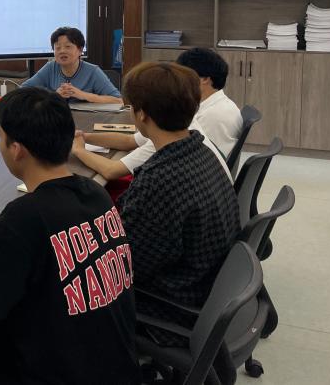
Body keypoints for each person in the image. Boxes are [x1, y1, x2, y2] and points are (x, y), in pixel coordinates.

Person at [0, 87, 139, 385]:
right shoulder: (94, 192)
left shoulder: (23, 215)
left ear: (16, 149)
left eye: (0, 137)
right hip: (115, 369)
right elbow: (57, 237)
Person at [116, 62, 240, 344]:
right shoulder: (199, 149)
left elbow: (125, 267)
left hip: (171, 306)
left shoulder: (161, 180)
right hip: (204, 285)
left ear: (142, 114)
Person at [72, 48, 239, 187]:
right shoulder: (183, 123)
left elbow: (111, 170)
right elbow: (130, 141)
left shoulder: (168, 143)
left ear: (142, 114)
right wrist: (85, 137)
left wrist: (78, 150)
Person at [21, 27, 122, 104]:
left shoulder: (93, 71)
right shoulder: (50, 68)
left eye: (68, 46)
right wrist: (53, 95)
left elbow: (118, 100)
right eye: (57, 48)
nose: (62, 51)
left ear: (80, 50)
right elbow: (23, 90)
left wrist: (83, 95)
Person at [175, 47, 242, 157]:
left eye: (182, 76)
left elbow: (186, 154)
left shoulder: (213, 115)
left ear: (205, 79)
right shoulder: (218, 105)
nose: (178, 81)